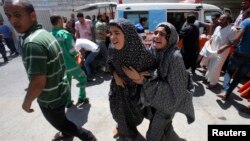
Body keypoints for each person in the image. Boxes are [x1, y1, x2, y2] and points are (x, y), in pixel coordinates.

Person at [3, 1, 96, 141]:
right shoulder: (44, 34)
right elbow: (70, 51)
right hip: (61, 88)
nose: (12, 20)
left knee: (62, 123)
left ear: (33, 16)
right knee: (63, 115)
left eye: (17, 15)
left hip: (50, 98)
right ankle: (67, 130)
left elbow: (38, 81)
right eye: (8, 16)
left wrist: (26, 102)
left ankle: (87, 136)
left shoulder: (33, 42)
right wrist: (78, 57)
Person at [123, 22, 195, 141]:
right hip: (156, 101)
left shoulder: (175, 57)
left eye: (162, 34)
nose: (156, 36)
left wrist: (143, 81)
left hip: (167, 106)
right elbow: (151, 68)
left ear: (170, 38)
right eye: (155, 32)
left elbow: (177, 93)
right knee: (166, 129)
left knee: (152, 136)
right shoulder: (153, 49)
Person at [107, 18, 156, 140]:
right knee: (118, 112)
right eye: (111, 33)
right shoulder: (112, 48)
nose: (112, 37)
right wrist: (116, 75)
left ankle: (129, 132)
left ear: (128, 34)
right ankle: (122, 129)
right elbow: (109, 64)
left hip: (135, 92)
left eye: (117, 33)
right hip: (118, 88)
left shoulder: (141, 54)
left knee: (133, 116)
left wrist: (139, 77)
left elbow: (156, 71)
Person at [50, 15, 89, 107]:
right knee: (83, 78)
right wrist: (78, 54)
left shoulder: (49, 35)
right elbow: (72, 50)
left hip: (59, 65)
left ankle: (68, 102)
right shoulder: (64, 34)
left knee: (67, 82)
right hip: (69, 63)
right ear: (59, 21)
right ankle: (82, 98)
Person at [218, 9, 250, 102]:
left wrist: (230, 44)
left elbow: (236, 39)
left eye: (244, 15)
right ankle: (228, 93)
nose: (242, 17)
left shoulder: (247, 21)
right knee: (239, 76)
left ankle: (224, 91)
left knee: (229, 71)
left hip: (240, 53)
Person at [203, 14, 237, 89]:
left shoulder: (232, 29)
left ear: (228, 20)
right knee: (210, 65)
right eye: (220, 19)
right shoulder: (218, 27)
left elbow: (233, 41)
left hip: (222, 52)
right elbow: (213, 36)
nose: (220, 21)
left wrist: (224, 47)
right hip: (213, 49)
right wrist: (209, 42)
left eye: (222, 20)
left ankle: (213, 82)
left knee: (216, 67)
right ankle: (208, 78)